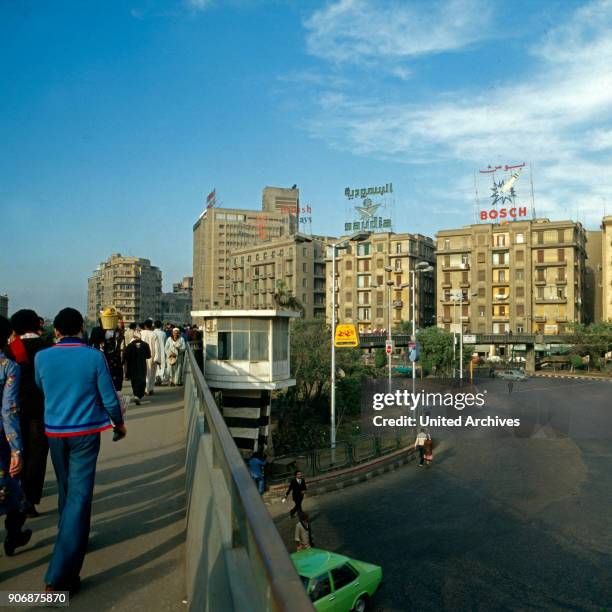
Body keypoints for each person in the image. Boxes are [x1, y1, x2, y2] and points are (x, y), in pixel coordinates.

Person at [35, 307, 126, 593]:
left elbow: (42, 387)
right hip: (85, 434)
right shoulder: (93, 357)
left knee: (66, 490)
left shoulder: (42, 357)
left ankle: (70, 536)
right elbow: (110, 398)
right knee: (79, 496)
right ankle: (60, 575)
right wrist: (118, 425)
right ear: (81, 330)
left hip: (54, 432)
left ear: (57, 331)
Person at [9, 309, 52, 517]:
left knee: (16, 452)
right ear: (38, 325)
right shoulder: (48, 348)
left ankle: (14, 496)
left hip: (13, 409)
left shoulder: (11, 348)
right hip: (41, 408)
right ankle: (30, 500)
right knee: (37, 454)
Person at [0, 315, 32, 556]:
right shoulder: (9, 367)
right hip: (3, 440)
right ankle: (13, 535)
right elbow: (9, 410)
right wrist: (17, 450)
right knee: (13, 489)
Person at [123, 331, 150, 405]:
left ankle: (136, 395)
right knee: (142, 380)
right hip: (142, 366)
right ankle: (138, 395)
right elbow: (148, 356)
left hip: (132, 367)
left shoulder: (129, 346)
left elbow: (125, 357)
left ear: (134, 337)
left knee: (134, 381)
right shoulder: (145, 345)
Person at [140, 319, 159, 396]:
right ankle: (150, 389)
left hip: (141, 356)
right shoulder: (154, 335)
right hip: (152, 356)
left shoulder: (140, 333)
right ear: (151, 326)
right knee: (151, 373)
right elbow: (157, 348)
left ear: (145, 326)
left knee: (143, 373)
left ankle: (145, 389)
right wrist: (157, 358)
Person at [153, 320, 167, 386]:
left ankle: (155, 379)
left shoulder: (152, 333)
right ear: (160, 325)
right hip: (162, 351)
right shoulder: (163, 333)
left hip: (154, 352)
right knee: (162, 365)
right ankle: (160, 379)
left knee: (154, 366)